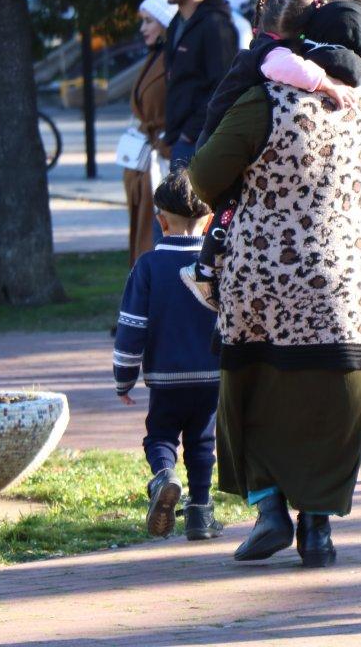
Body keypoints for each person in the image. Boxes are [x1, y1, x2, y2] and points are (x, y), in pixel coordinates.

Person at [188, 0, 361, 569]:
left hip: (264, 279)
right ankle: (318, 530)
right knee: (329, 402)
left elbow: (204, 176)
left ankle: (269, 509)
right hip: (347, 282)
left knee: (251, 392)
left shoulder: (269, 98)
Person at [183, 0, 353, 309]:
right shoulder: (272, 53)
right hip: (218, 134)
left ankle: (206, 266)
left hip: (216, 129)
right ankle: (204, 268)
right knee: (228, 203)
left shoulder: (263, 44)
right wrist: (327, 84)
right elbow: (288, 69)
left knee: (228, 205)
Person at [113, 168, 224, 541]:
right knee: (202, 442)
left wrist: (124, 378)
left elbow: (132, 327)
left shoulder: (148, 267)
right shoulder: (218, 266)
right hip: (212, 375)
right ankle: (200, 513)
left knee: (160, 435)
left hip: (165, 377)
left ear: (160, 221)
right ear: (208, 220)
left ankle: (164, 476)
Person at [160, 0, 240, 167]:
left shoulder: (215, 25)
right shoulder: (176, 23)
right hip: (180, 138)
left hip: (200, 140)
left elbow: (224, 85)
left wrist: (190, 133)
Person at [125, 0, 178, 266]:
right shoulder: (154, 58)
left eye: (149, 21)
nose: (143, 28)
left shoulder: (170, 61)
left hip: (162, 156)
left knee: (158, 233)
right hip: (147, 157)